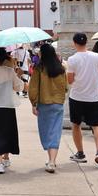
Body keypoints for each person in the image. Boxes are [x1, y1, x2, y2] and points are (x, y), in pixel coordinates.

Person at [66, 33, 98, 168]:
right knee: (96, 125)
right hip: (94, 97)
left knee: (76, 125)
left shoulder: (72, 59)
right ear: (87, 43)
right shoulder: (96, 57)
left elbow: (69, 80)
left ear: (74, 43)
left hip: (77, 97)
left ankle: (80, 153)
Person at [28, 43, 68, 173]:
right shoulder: (61, 69)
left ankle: (51, 160)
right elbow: (65, 87)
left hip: (44, 103)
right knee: (55, 132)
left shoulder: (39, 68)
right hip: (58, 103)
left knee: (46, 132)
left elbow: (33, 88)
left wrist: (33, 103)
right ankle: (52, 161)